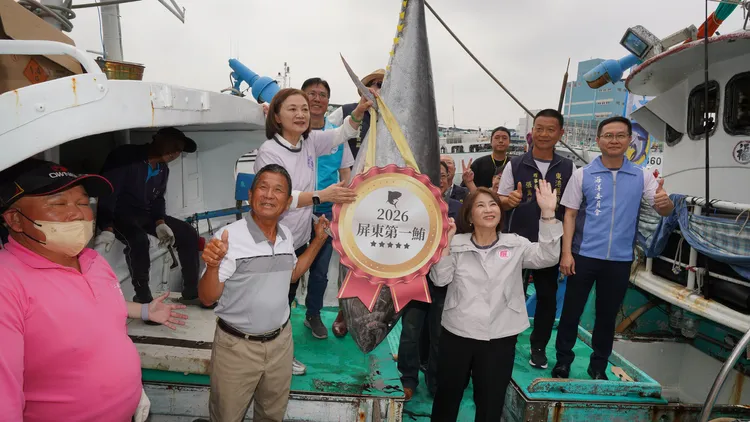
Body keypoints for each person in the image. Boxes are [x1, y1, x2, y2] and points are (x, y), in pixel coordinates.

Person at [0, 158, 187, 422]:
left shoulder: (92, 260)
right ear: (15, 220)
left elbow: (98, 307)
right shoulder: (7, 284)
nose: (77, 214)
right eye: (58, 204)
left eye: (82, 203)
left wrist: (145, 311)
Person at [198, 164, 330, 422]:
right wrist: (212, 266)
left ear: (288, 202)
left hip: (281, 344)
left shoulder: (286, 235)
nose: (269, 195)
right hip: (237, 348)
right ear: (250, 195)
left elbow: (292, 274)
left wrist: (318, 240)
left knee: (272, 416)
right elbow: (206, 297)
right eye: (263, 187)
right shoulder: (229, 237)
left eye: (278, 190)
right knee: (226, 417)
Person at [253, 87, 371, 375]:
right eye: (292, 109)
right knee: (273, 303)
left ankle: (277, 352)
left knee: (286, 298)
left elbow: (341, 134)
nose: (301, 114)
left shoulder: (308, 142)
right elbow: (278, 198)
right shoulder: (270, 151)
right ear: (276, 116)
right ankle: (270, 357)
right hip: (272, 241)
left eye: (304, 109)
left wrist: (359, 110)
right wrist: (323, 195)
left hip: (297, 238)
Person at [552, 116, 674, 380]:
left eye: (620, 135)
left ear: (629, 140)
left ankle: (598, 366)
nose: (614, 140)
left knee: (607, 317)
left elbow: (663, 209)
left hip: (619, 259)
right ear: (598, 140)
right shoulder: (582, 174)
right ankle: (563, 361)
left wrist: (666, 203)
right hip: (583, 255)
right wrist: (566, 253)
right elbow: (570, 214)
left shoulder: (642, 176)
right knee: (571, 312)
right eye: (608, 135)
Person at [430, 182, 562, 421]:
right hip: (458, 333)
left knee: (491, 402)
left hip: (500, 336)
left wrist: (548, 214)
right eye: (480, 205)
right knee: (447, 397)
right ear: (469, 215)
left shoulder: (515, 244)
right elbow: (440, 279)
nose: (489, 209)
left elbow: (548, 257)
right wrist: (446, 242)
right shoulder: (456, 244)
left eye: (493, 204)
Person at [497, 109, 575, 370]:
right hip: (516, 241)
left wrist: (566, 251)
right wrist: (509, 200)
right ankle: (503, 340)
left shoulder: (568, 167)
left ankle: (538, 347)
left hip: (549, 244)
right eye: (539, 128)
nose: (543, 134)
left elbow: (570, 211)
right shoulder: (515, 164)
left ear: (560, 133)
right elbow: (500, 200)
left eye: (550, 129)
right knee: (508, 293)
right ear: (532, 131)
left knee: (547, 297)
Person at [95, 127, 204, 307]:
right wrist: (106, 226)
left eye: (179, 150)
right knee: (139, 240)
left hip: (144, 214)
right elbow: (108, 192)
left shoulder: (162, 169)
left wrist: (160, 223)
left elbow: (158, 198)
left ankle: (191, 293)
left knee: (188, 233)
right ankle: (143, 298)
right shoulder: (125, 157)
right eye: (173, 145)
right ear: (157, 138)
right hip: (119, 215)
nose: (175, 151)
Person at [398, 161, 462, 400]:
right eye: (434, 175)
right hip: (416, 279)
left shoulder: (458, 208)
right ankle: (408, 378)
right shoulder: (411, 208)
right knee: (410, 332)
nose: (439, 180)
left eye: (442, 175)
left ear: (449, 178)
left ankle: (436, 381)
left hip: (445, 282)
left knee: (440, 335)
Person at [300, 77, 355, 339]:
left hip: (325, 212)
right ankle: (281, 315)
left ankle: (313, 314)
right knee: (286, 265)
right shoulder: (293, 130)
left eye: (322, 95)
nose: (317, 99)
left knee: (320, 270)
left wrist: (346, 204)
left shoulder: (337, 135)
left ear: (328, 101)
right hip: (296, 209)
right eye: (311, 93)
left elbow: (345, 172)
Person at [328, 68, 385, 160]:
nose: (382, 90)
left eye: (385, 86)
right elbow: (324, 137)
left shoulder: (395, 120)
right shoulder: (346, 110)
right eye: (380, 84)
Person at [461, 126, 511, 191]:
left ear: (509, 142)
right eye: (497, 138)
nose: (500, 141)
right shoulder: (479, 163)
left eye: (504, 138)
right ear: (491, 142)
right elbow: (465, 188)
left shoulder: (514, 164)